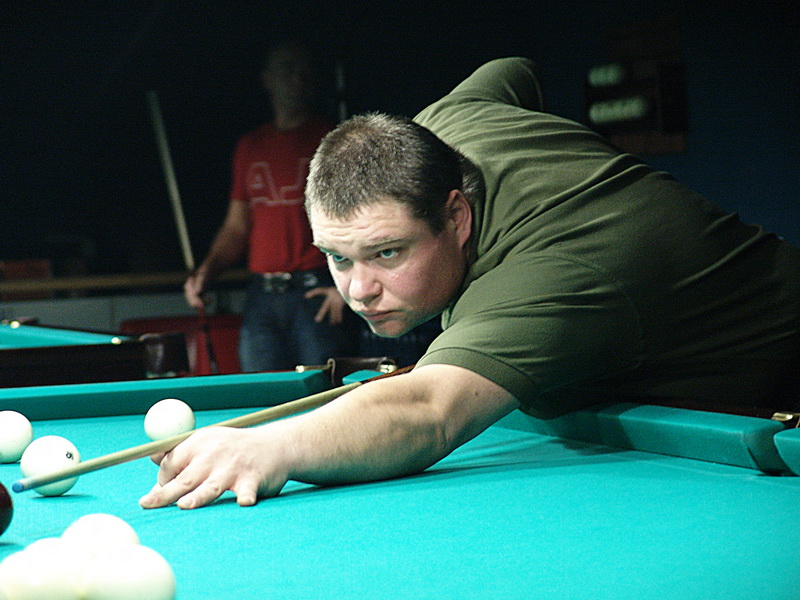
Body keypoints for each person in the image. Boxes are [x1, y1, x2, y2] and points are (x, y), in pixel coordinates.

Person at [143, 57, 800, 510]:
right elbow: (515, 71)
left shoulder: (552, 271)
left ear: (456, 216)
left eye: (387, 252)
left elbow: (427, 412)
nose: (359, 290)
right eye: (337, 258)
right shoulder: (443, 128)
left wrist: (273, 445)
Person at [184, 39, 353, 372]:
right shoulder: (250, 146)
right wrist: (206, 272)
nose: (298, 78)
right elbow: (236, 228)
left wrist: (345, 285)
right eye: (288, 69)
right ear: (267, 80)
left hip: (317, 290)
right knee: (259, 390)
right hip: (261, 295)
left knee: (323, 392)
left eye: (304, 71)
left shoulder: (334, 139)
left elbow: (358, 218)